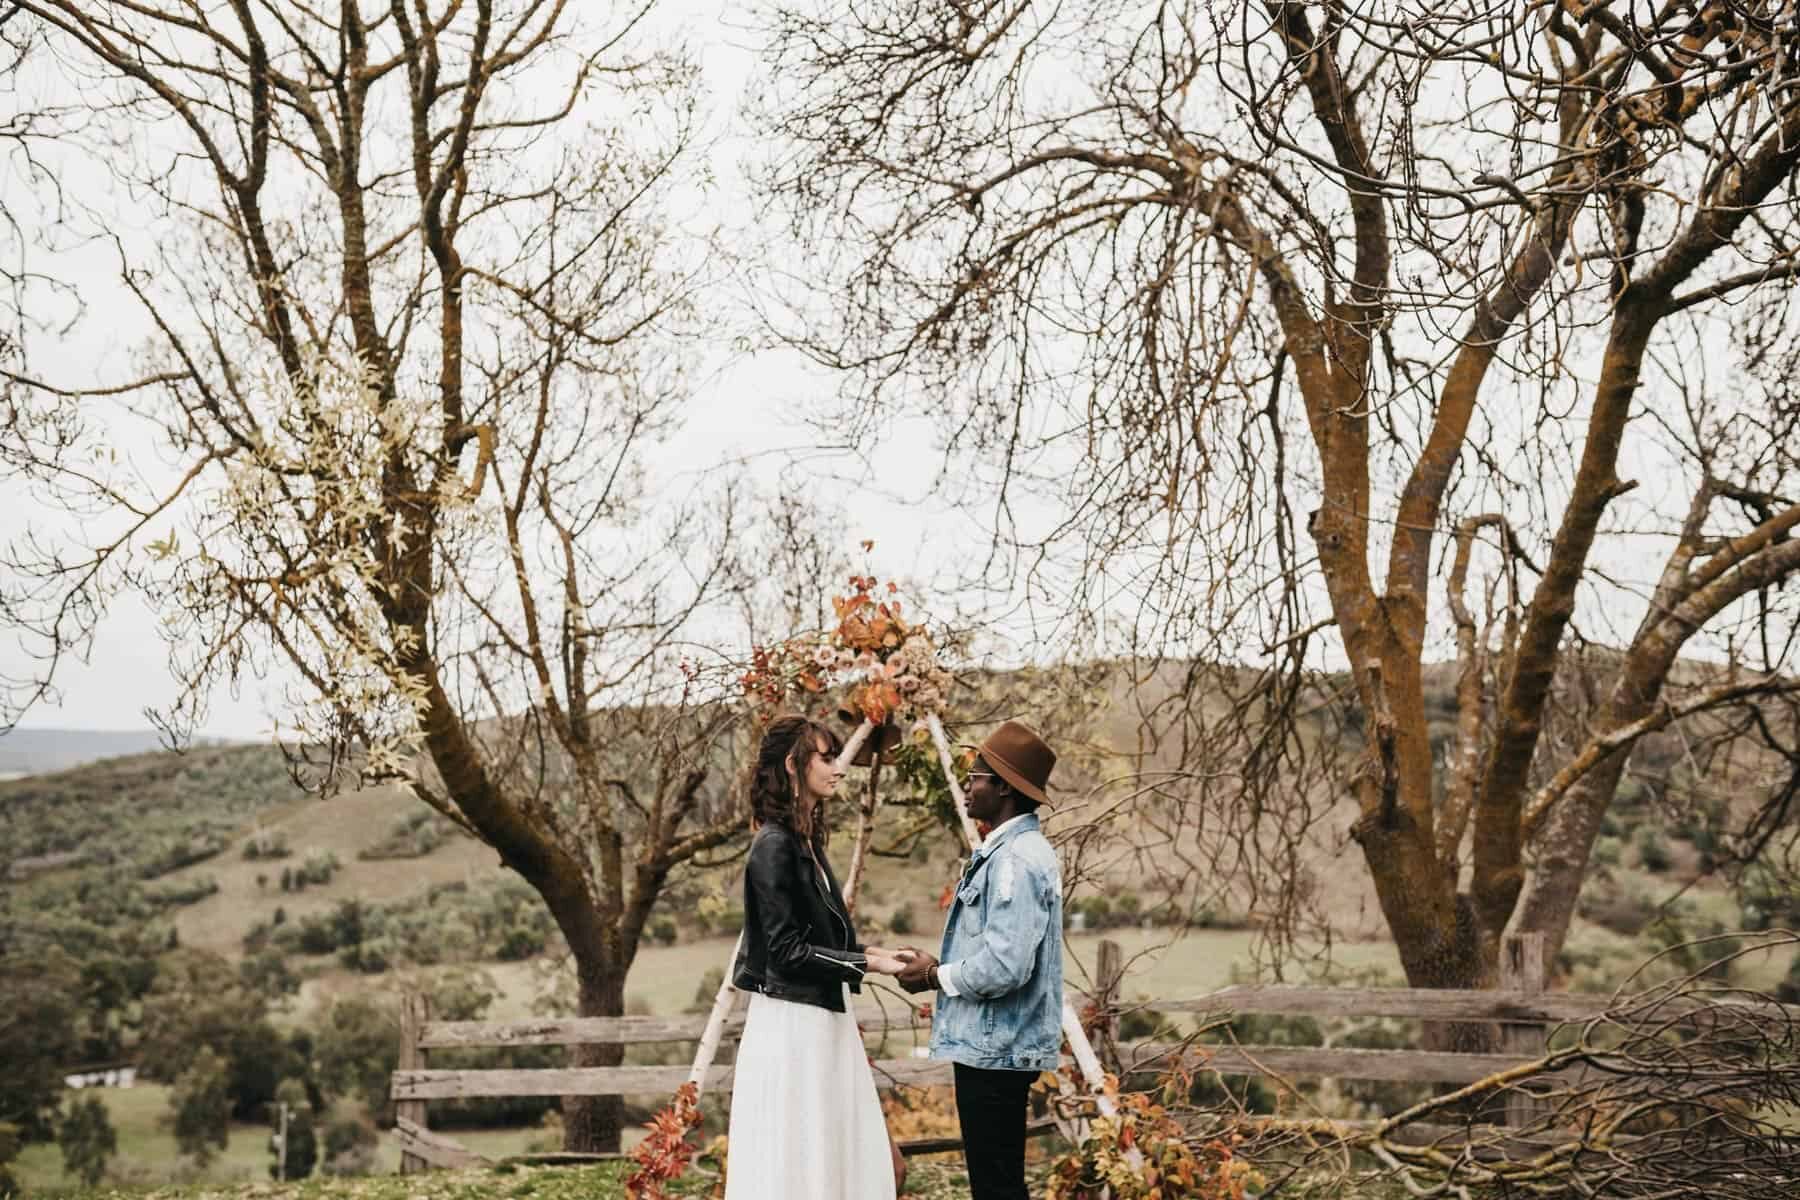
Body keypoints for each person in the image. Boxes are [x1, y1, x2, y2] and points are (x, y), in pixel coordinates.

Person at [725, 714, 909, 1199]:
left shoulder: (805, 839)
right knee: (803, 1160)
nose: (838, 768)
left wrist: (875, 954)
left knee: (840, 1152)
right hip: (793, 1024)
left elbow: (823, 936)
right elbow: (786, 952)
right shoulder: (773, 846)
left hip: (823, 1016)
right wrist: (866, 964)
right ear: (792, 764)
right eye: (826, 758)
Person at [896, 719, 1063, 1200]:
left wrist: (934, 975)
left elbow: (1006, 966)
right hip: (997, 1047)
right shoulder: (1011, 851)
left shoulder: (1014, 860)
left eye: (978, 777)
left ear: (1004, 788)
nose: (969, 786)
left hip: (995, 1050)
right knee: (998, 1182)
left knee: (996, 1187)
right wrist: (938, 963)